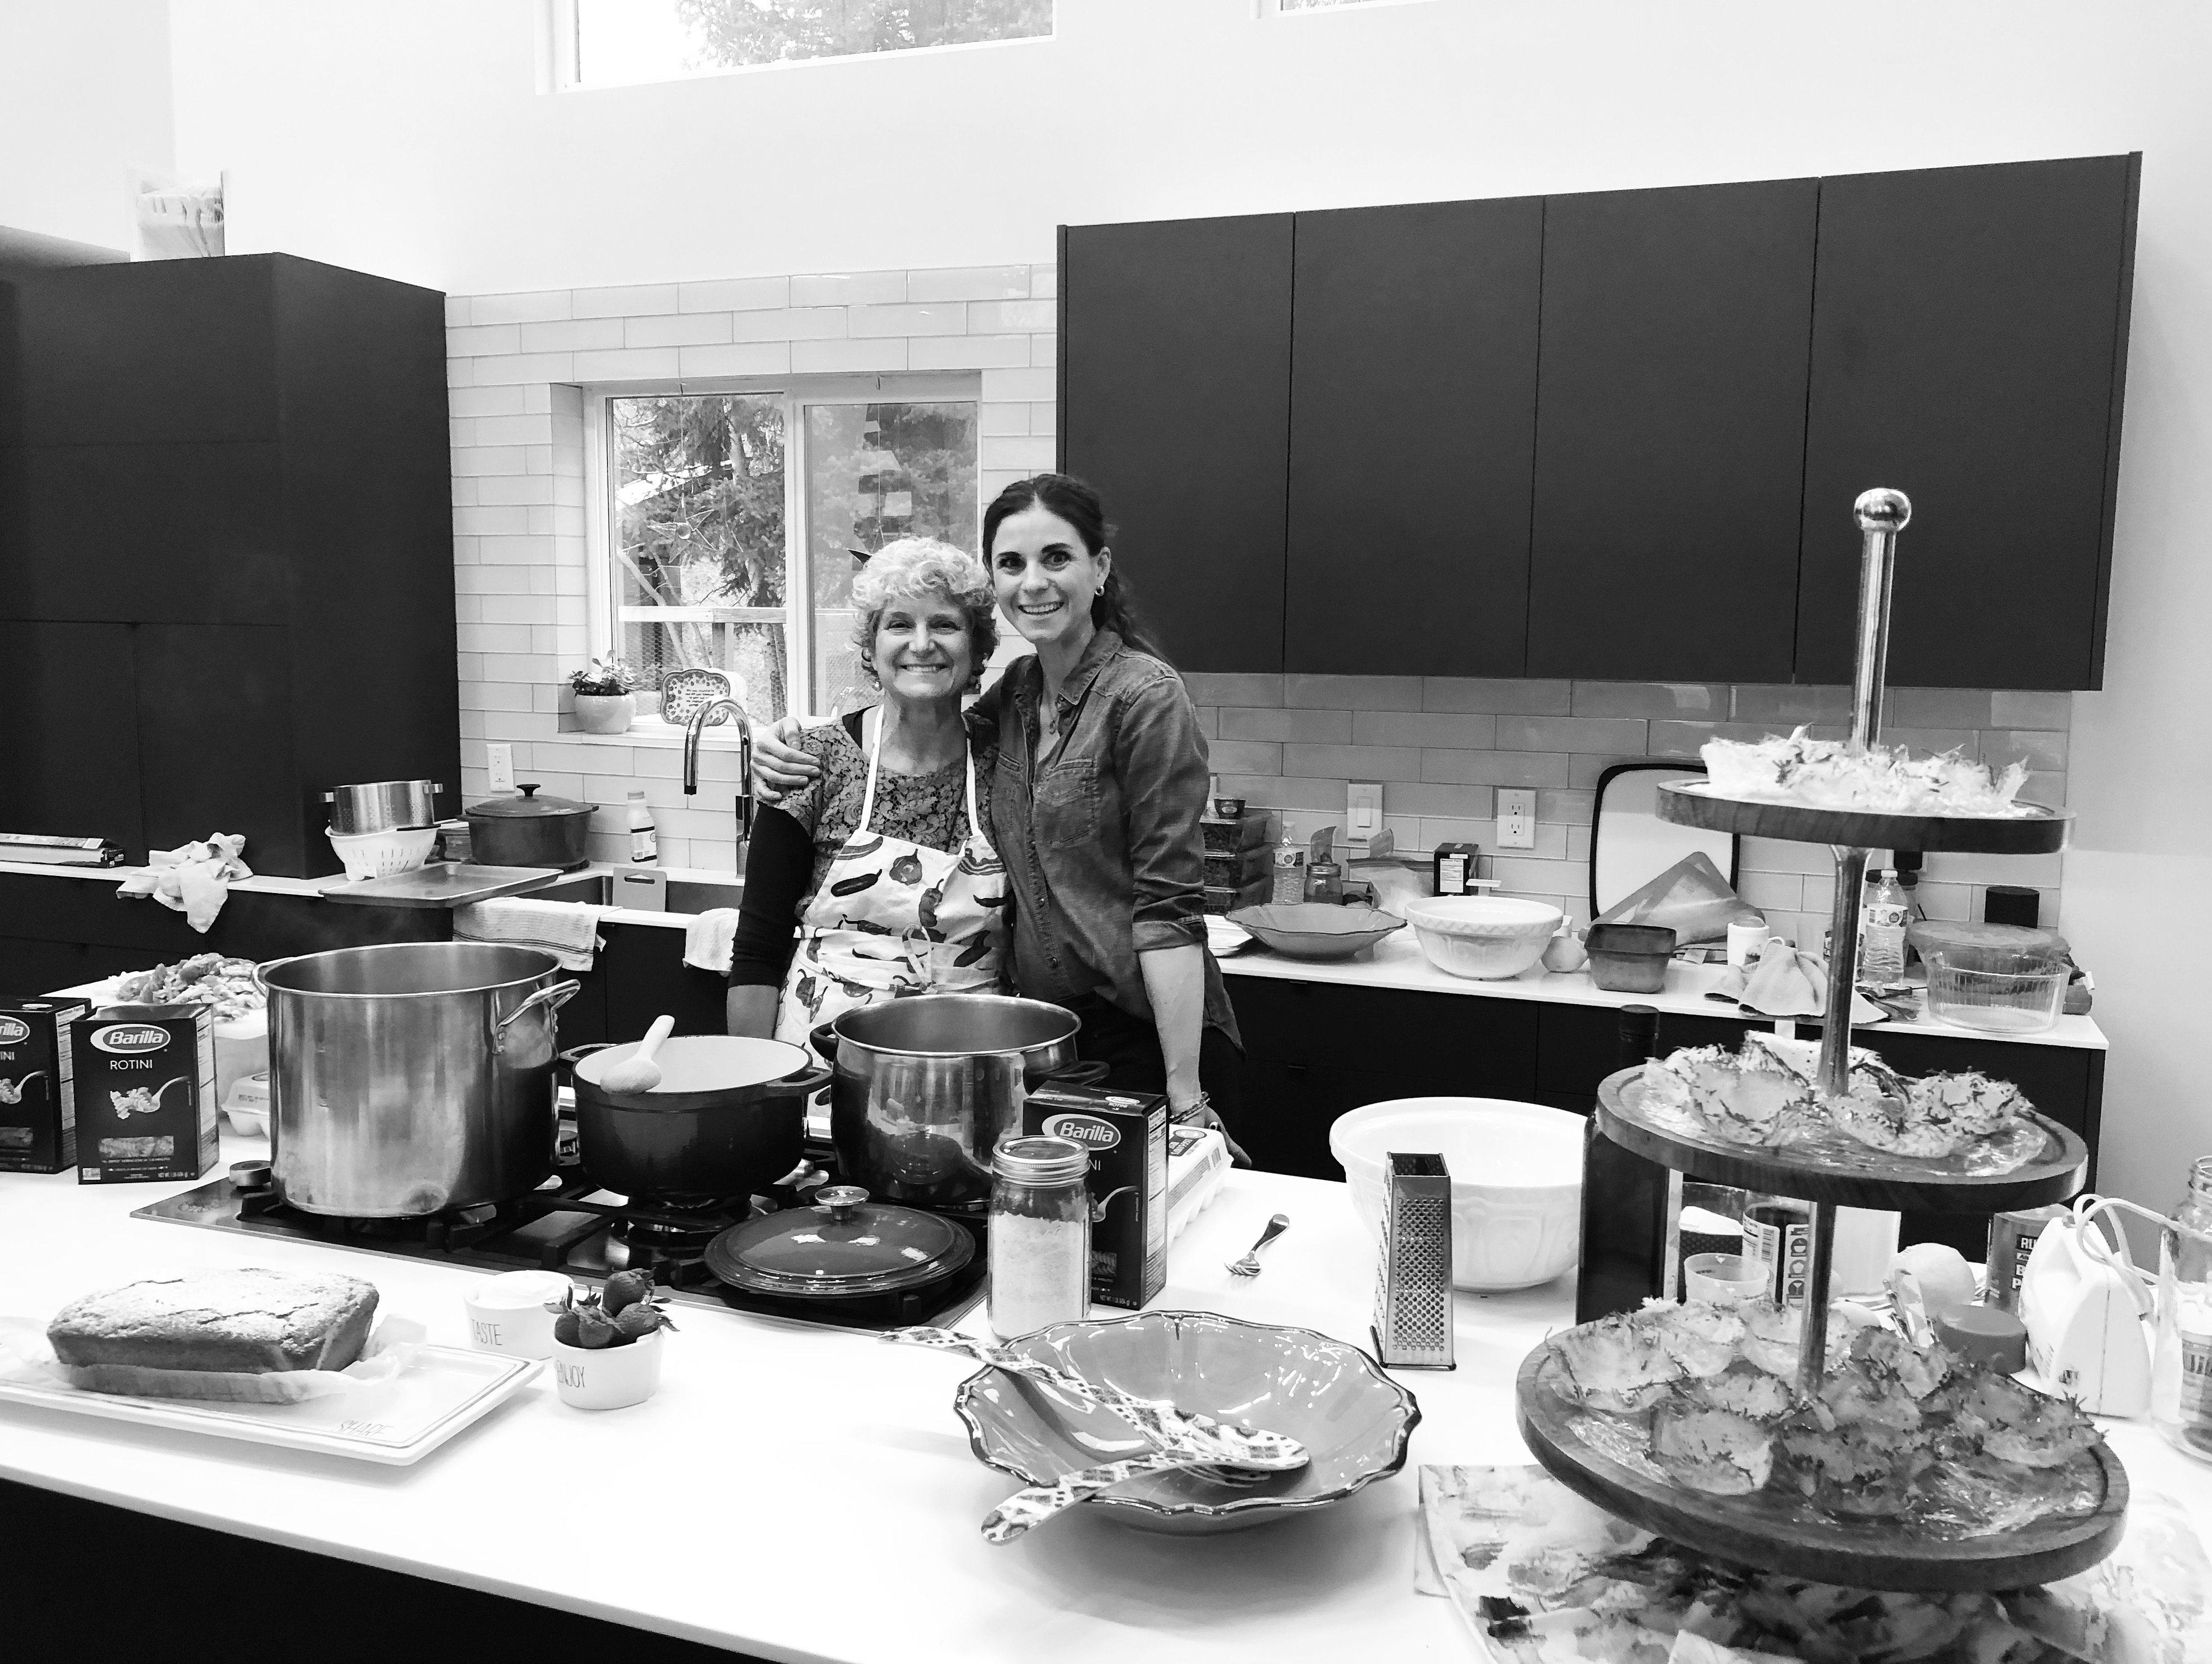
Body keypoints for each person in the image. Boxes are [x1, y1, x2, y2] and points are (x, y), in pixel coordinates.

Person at [753, 475, 1244, 1156]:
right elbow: (922, 714)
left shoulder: (1145, 699)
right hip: (1034, 1042)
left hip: (1140, 1034)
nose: (1033, 582)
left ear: (1099, 569)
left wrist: (1185, 1096)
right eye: (1011, 563)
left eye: (1056, 558)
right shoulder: (1014, 700)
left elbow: (1168, 909)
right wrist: (781, 738)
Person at [725, 538, 1007, 1043]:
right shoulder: (811, 762)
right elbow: (758, 949)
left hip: (971, 1052)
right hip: (821, 1057)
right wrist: (756, 1080)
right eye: (899, 624)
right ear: (870, 647)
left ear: (978, 647)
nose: (921, 644)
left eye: (944, 624)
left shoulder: (1010, 763)